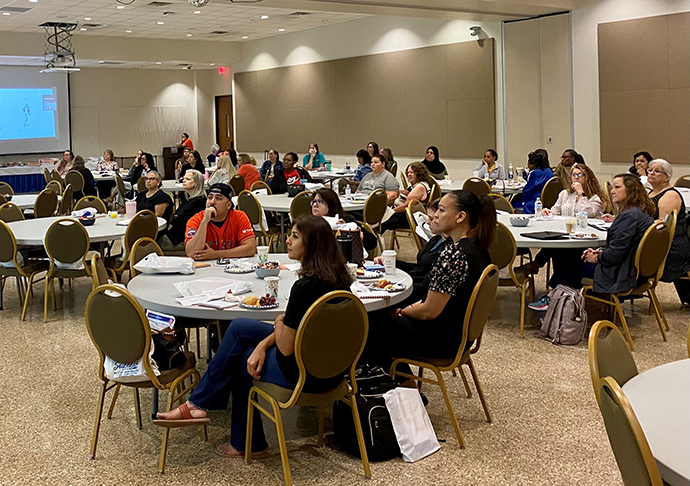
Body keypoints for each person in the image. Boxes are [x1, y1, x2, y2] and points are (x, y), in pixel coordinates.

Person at [156, 216, 352, 459]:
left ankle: (246, 442)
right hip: (333, 369)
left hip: (304, 373)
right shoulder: (342, 280)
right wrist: (262, 343)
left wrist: (279, 322)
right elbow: (303, 334)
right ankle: (198, 405)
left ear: (311, 245)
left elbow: (286, 346)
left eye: (295, 236)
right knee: (239, 327)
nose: (288, 241)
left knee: (241, 360)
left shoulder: (304, 289)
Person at [365, 190, 495, 371]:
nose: (435, 215)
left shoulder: (455, 254)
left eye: (441, 210)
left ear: (460, 217)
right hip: (456, 334)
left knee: (366, 326)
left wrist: (402, 311)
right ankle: (400, 383)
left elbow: (429, 310)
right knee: (378, 319)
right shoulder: (478, 248)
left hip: (440, 339)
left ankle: (400, 386)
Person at [524, 164, 607, 293]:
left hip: (585, 239)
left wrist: (581, 194)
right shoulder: (564, 194)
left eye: (580, 175)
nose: (576, 178)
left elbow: (587, 213)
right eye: (574, 175)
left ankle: (541, 272)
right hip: (565, 233)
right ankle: (556, 288)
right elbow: (556, 211)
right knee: (556, 245)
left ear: (588, 177)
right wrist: (548, 212)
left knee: (561, 250)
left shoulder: (596, 198)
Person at [580, 174, 655, 294]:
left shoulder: (629, 216)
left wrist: (596, 257)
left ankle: (561, 302)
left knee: (570, 262)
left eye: (617, 187)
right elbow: (625, 247)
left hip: (621, 275)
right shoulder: (640, 212)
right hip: (637, 272)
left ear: (631, 190)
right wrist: (600, 252)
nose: (612, 192)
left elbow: (616, 253)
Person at [375, 199, 450, 302]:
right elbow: (420, 268)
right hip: (413, 285)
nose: (428, 222)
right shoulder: (437, 239)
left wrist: (395, 287)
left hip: (418, 295)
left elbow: (429, 287)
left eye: (432, 219)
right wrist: (393, 263)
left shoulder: (449, 251)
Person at [647, 159, 690, 303]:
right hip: (657, 242)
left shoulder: (669, 195)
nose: (651, 173)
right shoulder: (651, 193)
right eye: (650, 170)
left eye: (657, 171)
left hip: (671, 247)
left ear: (667, 177)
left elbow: (662, 227)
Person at [185, 183, 256, 260]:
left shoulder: (239, 217)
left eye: (218, 198)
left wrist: (216, 254)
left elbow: (250, 249)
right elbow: (191, 253)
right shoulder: (196, 220)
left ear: (228, 205)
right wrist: (204, 222)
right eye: (210, 197)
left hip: (234, 267)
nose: (212, 202)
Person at [310, 188, 377, 251]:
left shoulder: (345, 221)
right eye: (314, 201)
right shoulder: (309, 223)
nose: (315, 205)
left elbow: (372, 242)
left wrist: (350, 231)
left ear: (331, 205)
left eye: (320, 202)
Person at [157, 170, 207, 252]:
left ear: (196, 183)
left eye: (188, 179)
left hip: (183, 239)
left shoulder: (197, 202)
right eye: (184, 178)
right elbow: (176, 216)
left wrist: (175, 218)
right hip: (179, 235)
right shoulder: (187, 198)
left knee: (153, 242)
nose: (183, 180)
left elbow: (177, 222)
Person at [381, 162, 433, 233]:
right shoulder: (415, 185)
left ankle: (373, 240)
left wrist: (390, 212)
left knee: (380, 221)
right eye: (408, 172)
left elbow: (407, 206)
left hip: (409, 218)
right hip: (402, 214)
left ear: (419, 173)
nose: (409, 175)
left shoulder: (420, 187)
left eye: (412, 172)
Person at [515, 149, 553, 214]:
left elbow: (527, 192)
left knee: (512, 203)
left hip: (535, 203)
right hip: (549, 201)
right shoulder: (549, 171)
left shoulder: (535, 173)